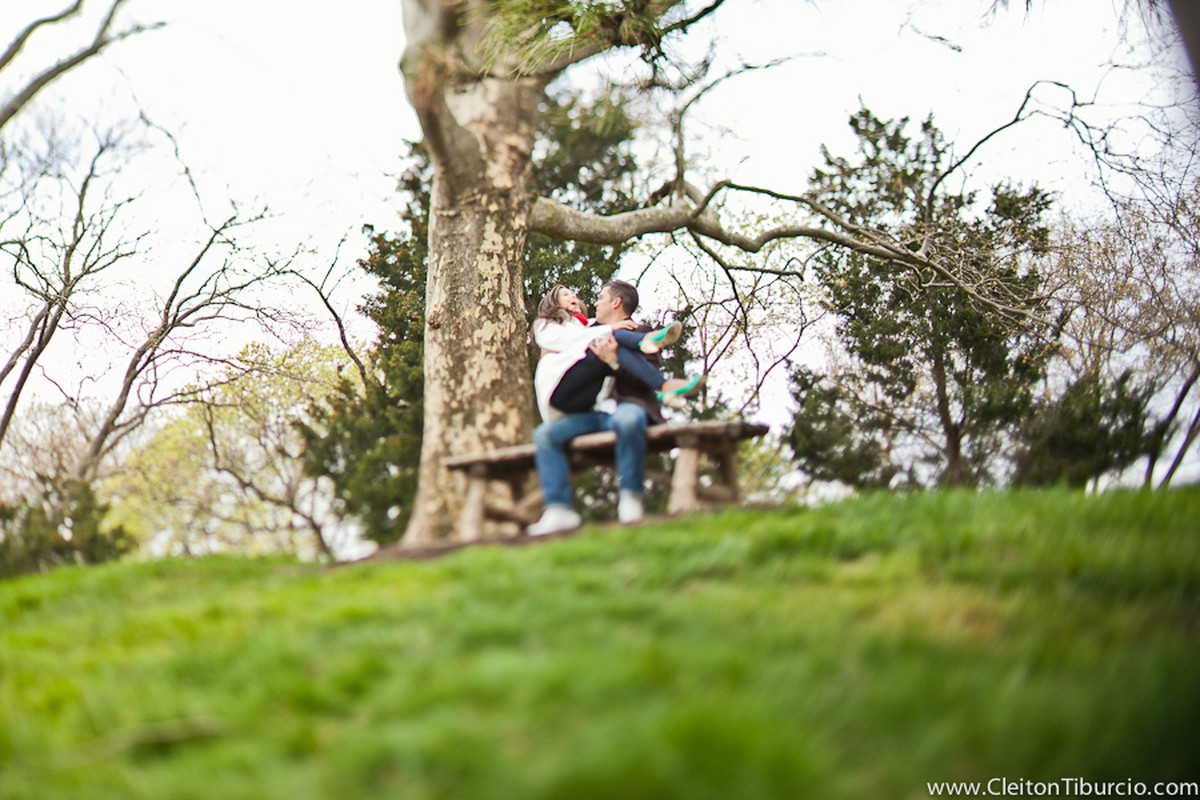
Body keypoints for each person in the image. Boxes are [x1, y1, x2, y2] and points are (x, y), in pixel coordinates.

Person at [526, 281, 702, 537]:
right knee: (545, 434)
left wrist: (615, 361)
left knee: (628, 420)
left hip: (625, 407)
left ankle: (631, 499)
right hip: (591, 413)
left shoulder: (633, 329)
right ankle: (559, 509)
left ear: (615, 303)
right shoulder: (584, 331)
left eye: (601, 297)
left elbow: (642, 382)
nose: (594, 302)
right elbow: (567, 353)